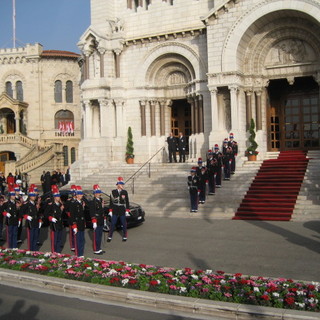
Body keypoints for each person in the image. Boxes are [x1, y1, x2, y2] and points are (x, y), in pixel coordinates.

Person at [107, 177, 130, 242]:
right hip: (115, 209)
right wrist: (110, 210)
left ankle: (125, 235)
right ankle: (110, 236)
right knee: (113, 223)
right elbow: (111, 202)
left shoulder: (125, 192)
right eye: (121, 184)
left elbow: (127, 201)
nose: (123, 186)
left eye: (123, 184)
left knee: (124, 223)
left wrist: (127, 210)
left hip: (122, 209)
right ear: (118, 185)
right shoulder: (113, 192)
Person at [21, 186, 42, 251]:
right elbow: (21, 212)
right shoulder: (26, 204)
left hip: (35, 222)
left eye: (35, 195)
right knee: (31, 238)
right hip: (30, 224)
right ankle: (30, 251)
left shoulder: (35, 204)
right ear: (30, 196)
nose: (34, 197)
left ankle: (35, 250)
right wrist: (26, 216)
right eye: (33, 195)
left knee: (35, 238)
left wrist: (40, 220)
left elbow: (37, 213)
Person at [46, 185, 64, 253]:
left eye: (59, 196)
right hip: (54, 225)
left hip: (59, 224)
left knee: (59, 239)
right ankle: (54, 252)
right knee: (54, 240)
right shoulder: (51, 205)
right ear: (54, 197)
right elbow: (46, 214)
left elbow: (60, 215)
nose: (59, 198)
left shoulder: (60, 205)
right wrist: (51, 218)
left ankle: (58, 251)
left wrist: (61, 210)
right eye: (57, 196)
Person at [89, 184, 106, 254]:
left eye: (99, 192)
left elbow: (102, 210)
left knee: (100, 235)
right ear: (94, 194)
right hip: (96, 220)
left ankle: (99, 248)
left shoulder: (101, 200)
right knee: (96, 236)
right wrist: (94, 221)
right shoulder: (93, 202)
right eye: (97, 193)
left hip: (101, 220)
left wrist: (104, 219)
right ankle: (96, 249)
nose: (99, 194)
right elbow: (92, 212)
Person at [70, 186, 86, 257]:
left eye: (81, 194)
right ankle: (77, 254)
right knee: (78, 240)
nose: (81, 195)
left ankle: (81, 254)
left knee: (82, 240)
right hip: (77, 223)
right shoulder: (73, 204)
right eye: (80, 194)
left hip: (81, 223)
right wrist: (74, 225)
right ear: (76, 195)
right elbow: (72, 216)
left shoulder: (81, 203)